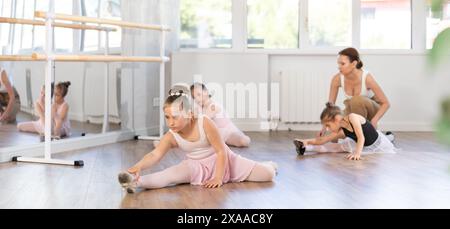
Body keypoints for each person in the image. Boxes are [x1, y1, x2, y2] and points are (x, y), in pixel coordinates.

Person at [117, 89, 277, 193]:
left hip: (223, 160)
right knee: (168, 175)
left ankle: (269, 164)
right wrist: (137, 167)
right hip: (194, 165)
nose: (170, 122)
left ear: (189, 114)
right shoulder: (172, 134)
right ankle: (134, 182)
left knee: (268, 175)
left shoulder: (204, 122)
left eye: (175, 117)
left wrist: (218, 177)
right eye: (167, 117)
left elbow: (221, 150)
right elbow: (154, 155)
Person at [323, 47, 394, 141]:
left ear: (354, 64)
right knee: (334, 131)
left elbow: (386, 103)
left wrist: (374, 120)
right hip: (352, 110)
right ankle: (381, 137)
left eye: (342, 64)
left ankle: (360, 137)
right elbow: (330, 106)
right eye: (338, 63)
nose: (339, 66)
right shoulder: (337, 79)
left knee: (357, 100)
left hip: (371, 110)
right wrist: (325, 125)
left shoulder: (367, 78)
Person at [294, 103, 396, 160]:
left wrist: (357, 153)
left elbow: (361, 137)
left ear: (337, 119)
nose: (328, 129)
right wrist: (306, 141)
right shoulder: (341, 129)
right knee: (335, 147)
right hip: (362, 145)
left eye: (328, 125)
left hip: (377, 142)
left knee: (388, 138)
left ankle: (390, 136)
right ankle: (306, 147)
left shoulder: (353, 118)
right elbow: (323, 140)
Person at [190, 83, 251, 147]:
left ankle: (244, 138)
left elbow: (203, 120)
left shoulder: (213, 106)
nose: (197, 99)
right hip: (217, 135)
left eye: (199, 95)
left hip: (228, 132)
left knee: (243, 141)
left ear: (206, 92)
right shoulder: (200, 108)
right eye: (194, 97)